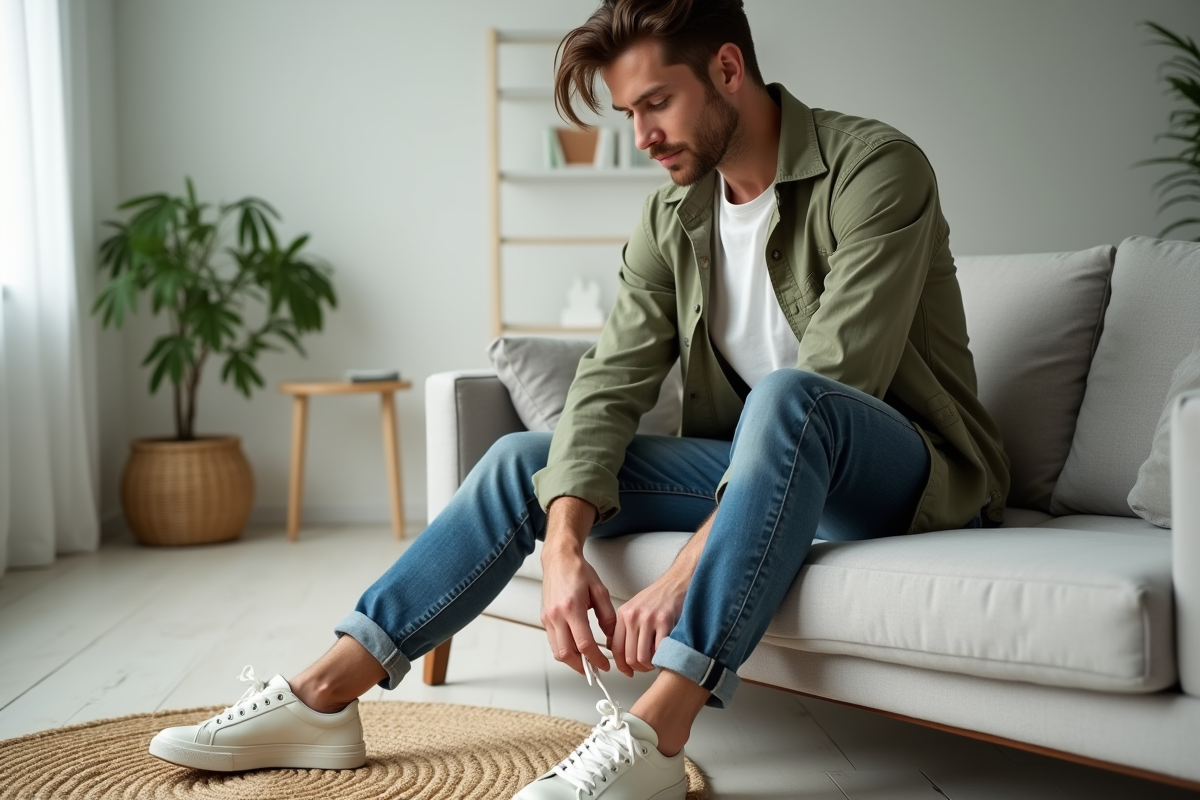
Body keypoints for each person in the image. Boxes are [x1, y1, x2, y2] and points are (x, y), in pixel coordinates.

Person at [149, 1, 1009, 798]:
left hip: (908, 477)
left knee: (791, 397)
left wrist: (685, 568)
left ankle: (658, 742)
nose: (642, 135)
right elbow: (609, 380)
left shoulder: (875, 169)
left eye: (657, 103)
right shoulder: (674, 217)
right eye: (628, 113)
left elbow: (838, 376)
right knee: (528, 461)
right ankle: (325, 693)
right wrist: (562, 548)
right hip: (769, 472)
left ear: (727, 69)